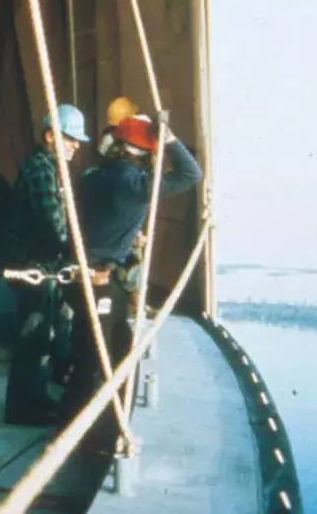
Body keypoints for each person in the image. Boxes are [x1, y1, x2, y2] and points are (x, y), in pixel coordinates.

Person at [62, 113, 202, 445]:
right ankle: (83, 433)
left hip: (80, 273)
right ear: (146, 150)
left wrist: (127, 236)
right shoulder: (138, 185)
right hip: (98, 277)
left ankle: (73, 423)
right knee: (101, 357)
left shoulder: (93, 176)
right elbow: (190, 174)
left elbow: (106, 218)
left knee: (91, 349)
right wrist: (169, 140)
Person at [0, 104, 90, 425]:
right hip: (33, 266)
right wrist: (81, 252)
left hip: (41, 264)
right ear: (51, 136)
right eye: (70, 138)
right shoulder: (42, 170)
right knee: (35, 335)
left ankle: (33, 398)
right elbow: (52, 224)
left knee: (45, 334)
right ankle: (23, 407)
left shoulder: (51, 169)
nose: (77, 145)